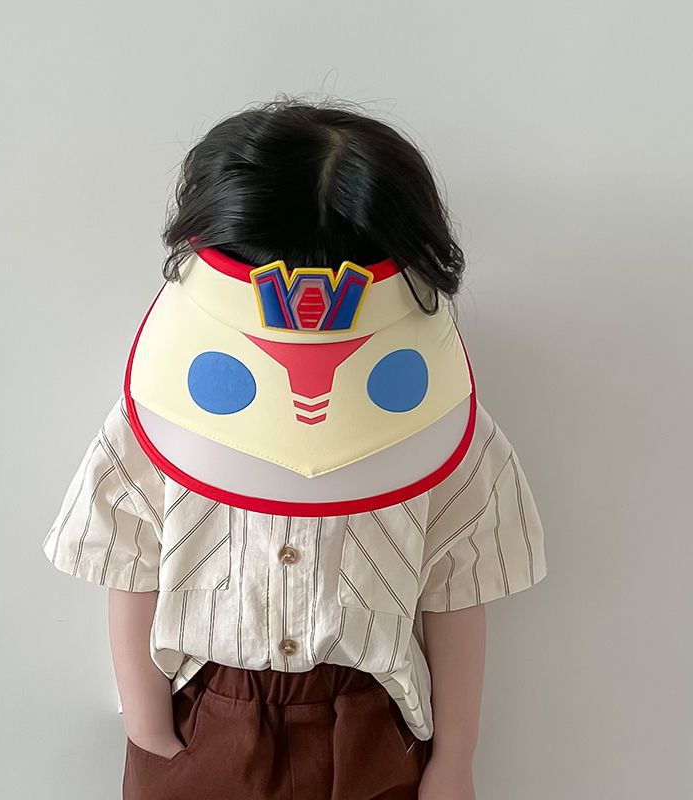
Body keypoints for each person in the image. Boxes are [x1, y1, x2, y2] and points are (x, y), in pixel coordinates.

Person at [42, 98, 548, 800]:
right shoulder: (162, 417)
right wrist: (148, 722)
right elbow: (130, 560)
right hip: (203, 717)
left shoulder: (439, 430)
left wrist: (455, 756)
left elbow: (456, 591)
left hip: (371, 726)